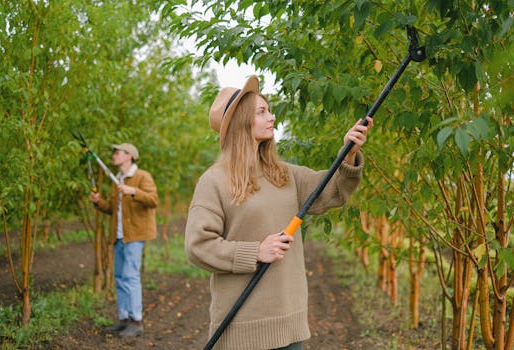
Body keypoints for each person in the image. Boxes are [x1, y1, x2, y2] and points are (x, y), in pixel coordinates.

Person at [185, 75, 373, 349]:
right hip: (241, 327)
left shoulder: (284, 174)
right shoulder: (214, 181)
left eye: (269, 110)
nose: (272, 117)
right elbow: (198, 246)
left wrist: (348, 154)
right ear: (241, 121)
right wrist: (255, 252)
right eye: (261, 112)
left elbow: (331, 189)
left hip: (290, 324)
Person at [89, 143, 158, 338]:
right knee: (119, 277)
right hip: (119, 236)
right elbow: (112, 208)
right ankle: (124, 319)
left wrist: (133, 191)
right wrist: (98, 202)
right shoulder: (117, 179)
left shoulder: (142, 177)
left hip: (135, 236)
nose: (114, 155)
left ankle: (137, 321)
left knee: (131, 276)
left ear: (129, 156)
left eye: (117, 152)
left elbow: (153, 200)